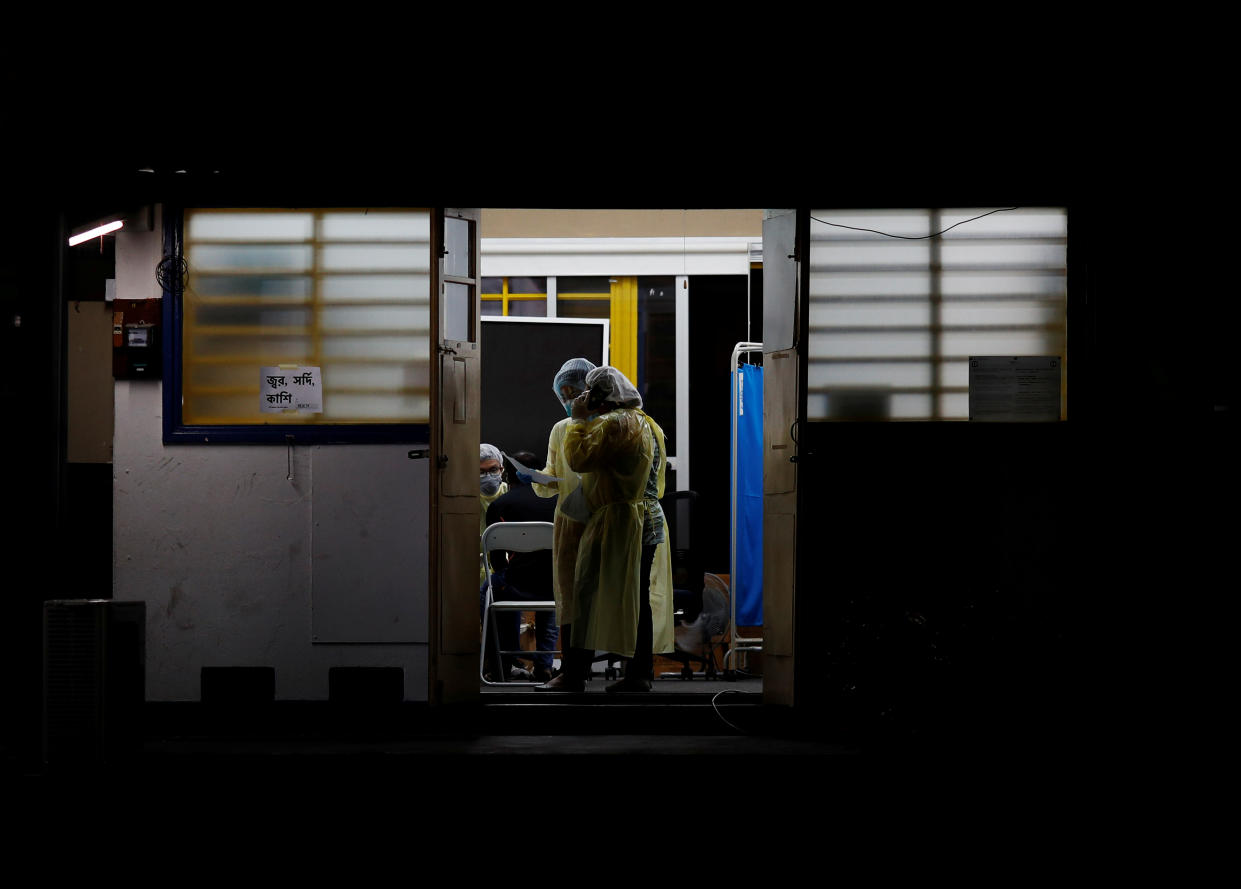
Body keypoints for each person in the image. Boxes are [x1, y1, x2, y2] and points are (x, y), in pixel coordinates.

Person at [537, 365, 674, 693]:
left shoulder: (615, 423)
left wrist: (580, 421)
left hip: (619, 521)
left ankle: (574, 675)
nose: (580, 400)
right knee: (635, 597)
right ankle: (639, 673)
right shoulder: (647, 423)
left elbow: (579, 460)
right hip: (646, 516)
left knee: (583, 595)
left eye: (586, 394)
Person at [527, 357, 596, 689]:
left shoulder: (577, 428)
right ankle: (579, 672)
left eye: (571, 393)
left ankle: (579, 672)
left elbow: (552, 482)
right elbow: (555, 479)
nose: (568, 400)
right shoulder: (565, 429)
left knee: (584, 598)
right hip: (589, 521)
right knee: (584, 598)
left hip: (589, 521)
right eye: (564, 395)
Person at [480, 450, 558, 682]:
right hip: (555, 584)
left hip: (517, 585)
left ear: (508, 476)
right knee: (554, 601)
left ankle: (500, 664)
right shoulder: (558, 501)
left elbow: (495, 559)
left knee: (490, 590)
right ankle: (545, 665)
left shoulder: (500, 505)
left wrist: (506, 573)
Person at [479, 443, 508, 588]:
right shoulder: (466, 500)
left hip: (506, 569)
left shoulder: (508, 494)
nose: (488, 476)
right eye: (481, 471)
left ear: (501, 469)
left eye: (493, 469)